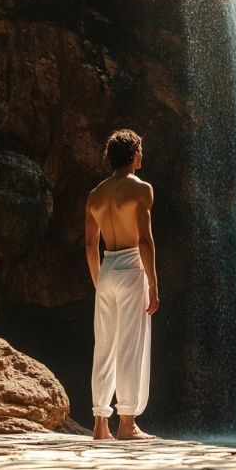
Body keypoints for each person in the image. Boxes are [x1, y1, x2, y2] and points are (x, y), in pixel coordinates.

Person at [85, 128, 159, 440]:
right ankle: (127, 424)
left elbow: (90, 246)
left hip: (107, 269)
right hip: (131, 267)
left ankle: (100, 424)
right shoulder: (142, 189)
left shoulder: (96, 195)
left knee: (104, 346)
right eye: (140, 150)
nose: (142, 155)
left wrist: (99, 282)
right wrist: (153, 283)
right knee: (130, 345)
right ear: (133, 155)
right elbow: (144, 239)